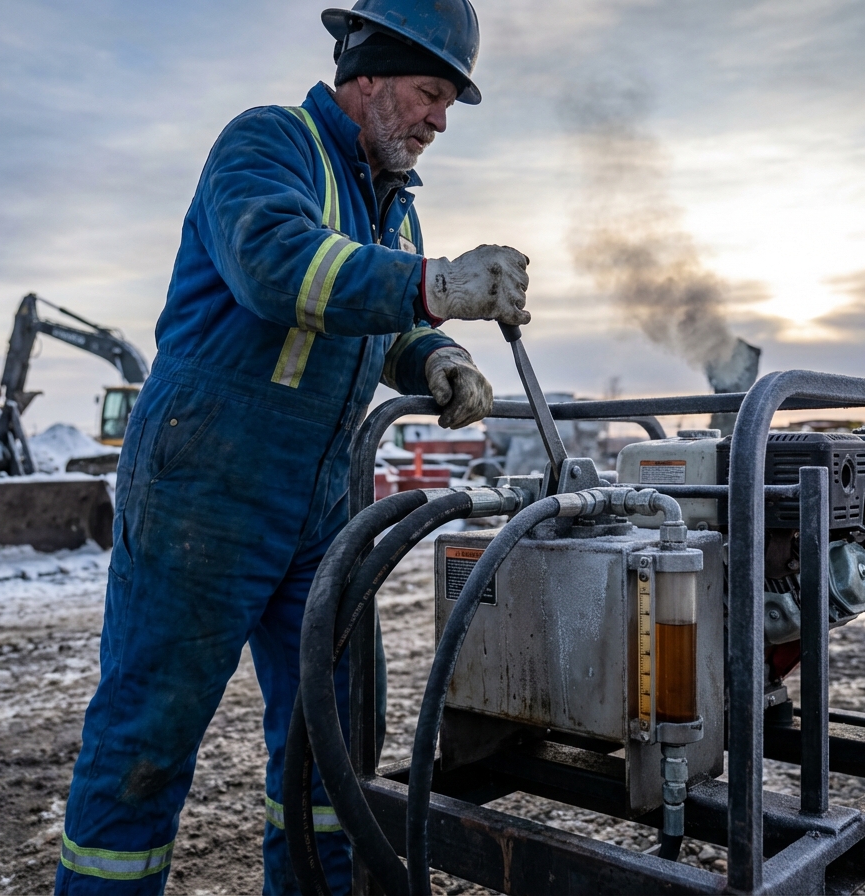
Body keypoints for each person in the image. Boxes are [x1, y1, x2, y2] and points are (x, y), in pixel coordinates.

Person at [55, 1, 530, 893]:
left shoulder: (395, 210)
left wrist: (438, 356)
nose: (437, 121)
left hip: (321, 498)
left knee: (336, 736)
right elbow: (279, 268)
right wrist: (436, 287)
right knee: (145, 740)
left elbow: (374, 322)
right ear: (370, 75)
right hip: (205, 485)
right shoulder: (268, 146)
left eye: (447, 105)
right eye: (429, 94)